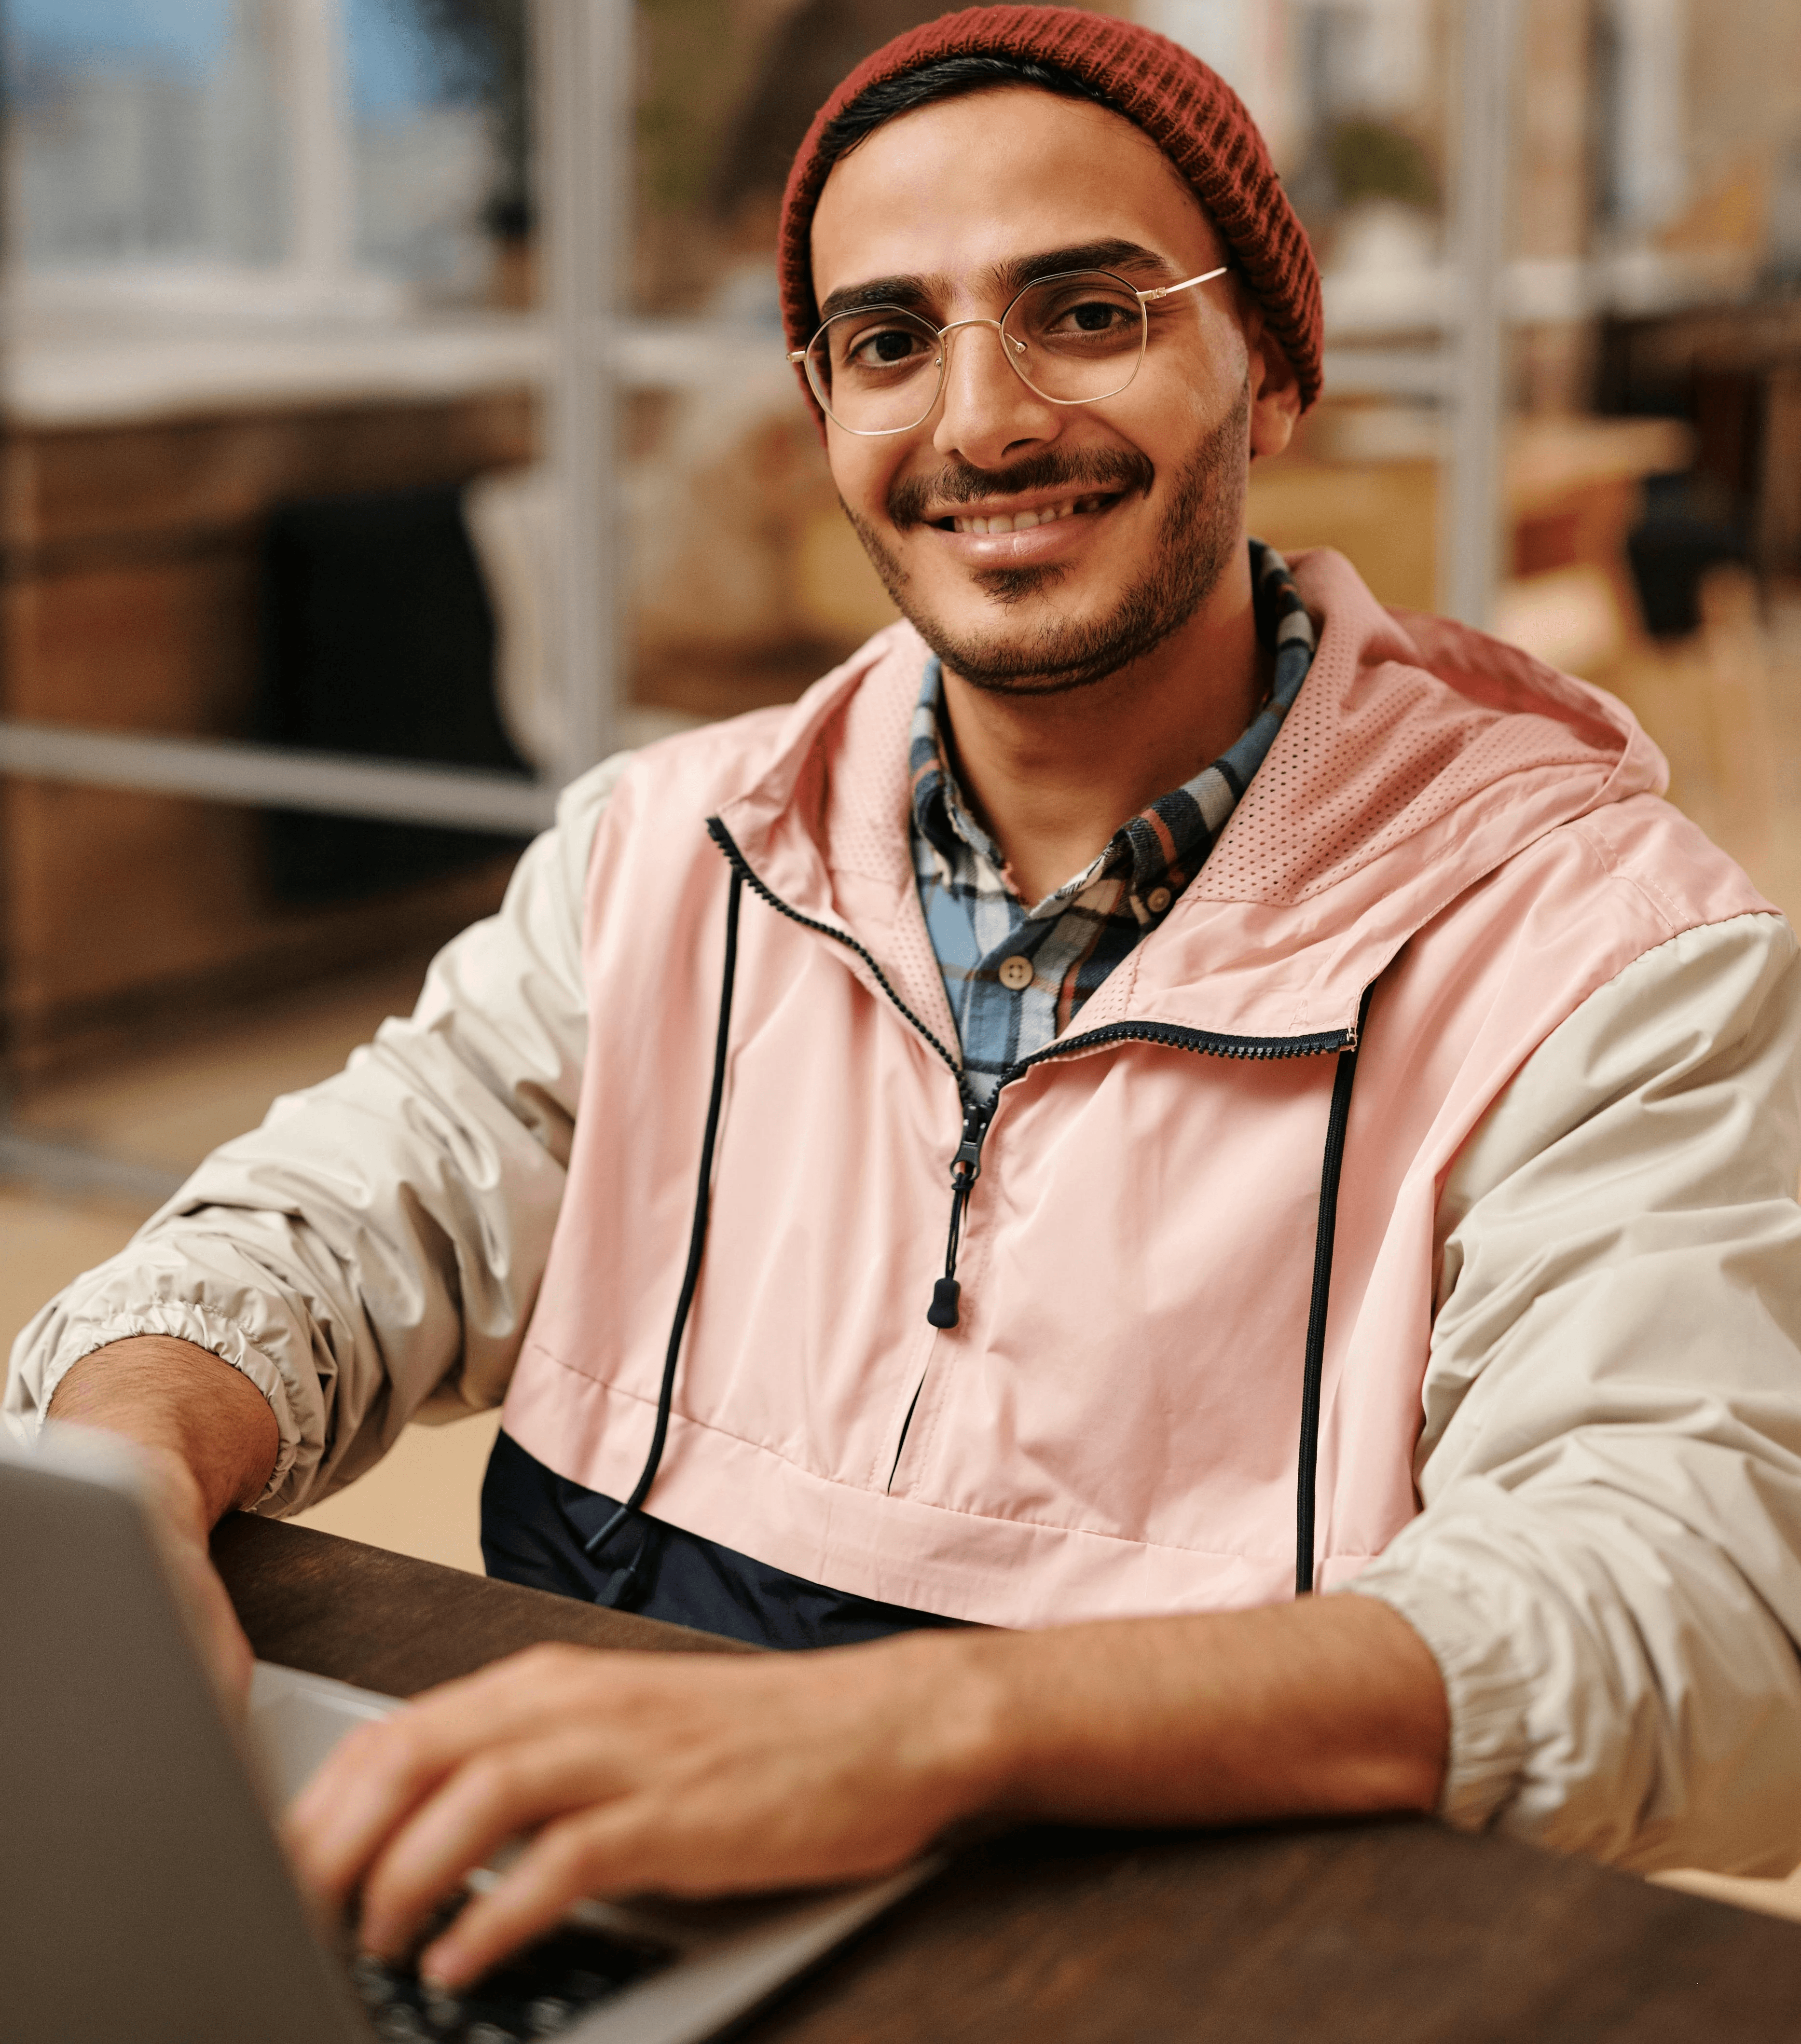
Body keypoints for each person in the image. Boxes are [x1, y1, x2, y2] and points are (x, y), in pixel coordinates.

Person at [13, 3, 1801, 1994]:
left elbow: (1705, 1611)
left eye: (1091, 310)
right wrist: (128, 1471)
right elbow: (342, 1218)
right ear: (823, 404)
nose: (983, 421)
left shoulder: (1609, 955)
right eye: (887, 340)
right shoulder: (664, 852)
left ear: (1273, 369)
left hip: (1209, 1974)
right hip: (610, 1920)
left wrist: (924, 1733)